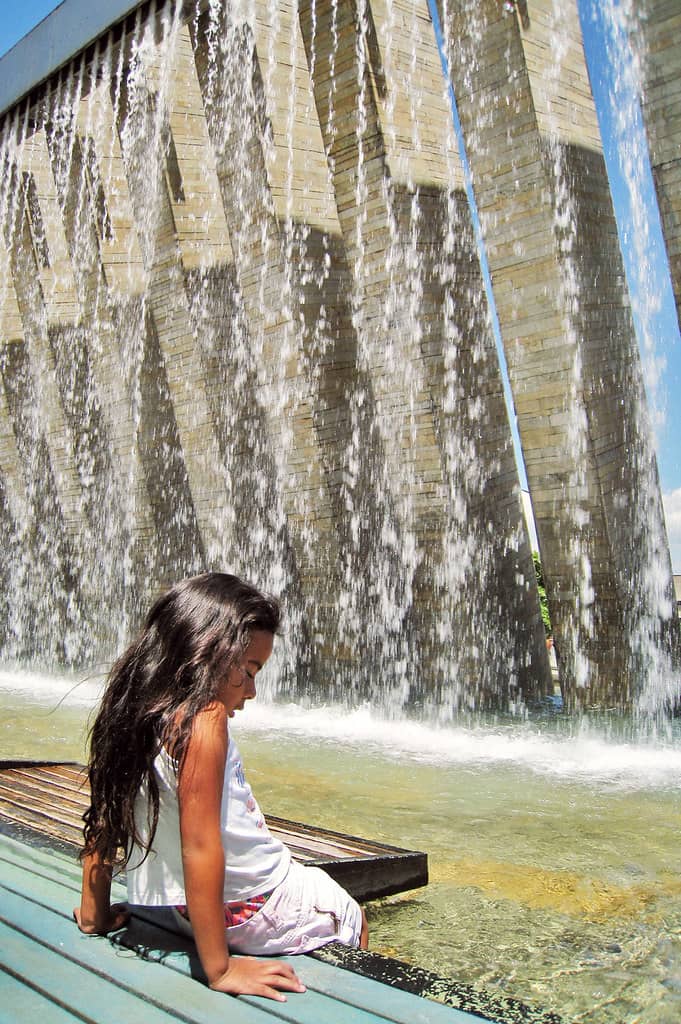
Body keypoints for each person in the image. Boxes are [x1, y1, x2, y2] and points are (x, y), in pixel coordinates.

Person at [75, 572, 368, 1002]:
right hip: (254, 910)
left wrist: (95, 914)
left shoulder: (135, 706)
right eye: (248, 671)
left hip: (180, 911)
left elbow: (106, 816)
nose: (252, 690)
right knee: (352, 914)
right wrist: (220, 969)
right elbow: (201, 845)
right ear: (206, 652)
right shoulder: (205, 719)